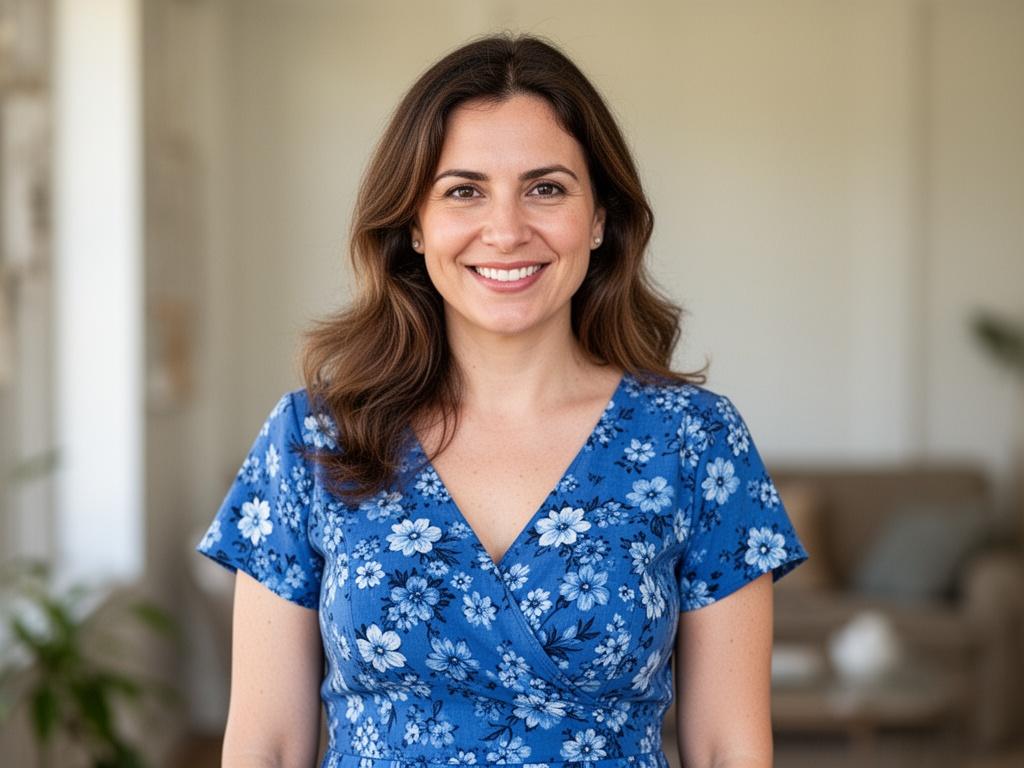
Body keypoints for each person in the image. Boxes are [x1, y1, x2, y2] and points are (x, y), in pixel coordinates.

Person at [196, 31, 809, 768]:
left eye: (546, 188)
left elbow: (726, 749)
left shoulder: (696, 441)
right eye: (464, 191)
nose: (507, 230)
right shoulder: (314, 437)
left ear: (600, 219)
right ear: (415, 226)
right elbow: (265, 745)